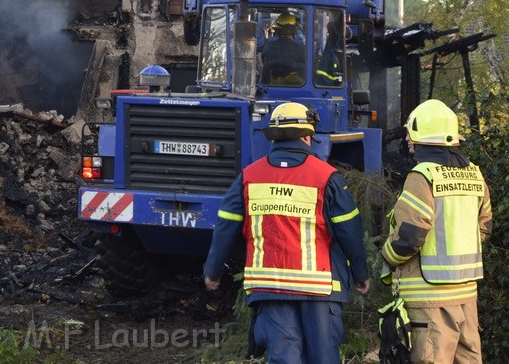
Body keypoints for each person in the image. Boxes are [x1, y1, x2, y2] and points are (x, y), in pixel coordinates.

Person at [203, 102, 370, 364]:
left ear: (274, 136)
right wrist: (361, 273)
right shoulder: (327, 177)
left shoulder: (249, 176)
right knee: (323, 358)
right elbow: (349, 231)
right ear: (307, 136)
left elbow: (225, 226)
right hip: (318, 289)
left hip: (271, 286)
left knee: (284, 357)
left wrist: (212, 271)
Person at [381, 99, 493, 364]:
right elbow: (485, 226)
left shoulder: (422, 176)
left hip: (429, 298)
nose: (407, 140)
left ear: (420, 137)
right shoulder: (475, 175)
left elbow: (410, 236)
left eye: (410, 134)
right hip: (466, 294)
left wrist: (387, 257)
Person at [260, 13, 306, 85]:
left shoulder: (268, 47)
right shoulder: (301, 49)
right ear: (294, 29)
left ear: (278, 29)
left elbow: (264, 62)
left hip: (270, 90)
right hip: (296, 89)